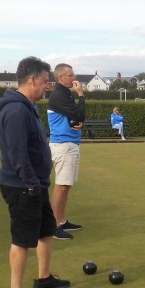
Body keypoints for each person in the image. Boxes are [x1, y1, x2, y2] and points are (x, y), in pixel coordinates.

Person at [0, 56, 70, 288]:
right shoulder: (16, 111)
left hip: (35, 183)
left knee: (45, 230)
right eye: (45, 81)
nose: (47, 86)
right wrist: (30, 184)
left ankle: (43, 279)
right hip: (22, 186)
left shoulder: (27, 107)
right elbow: (17, 154)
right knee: (22, 239)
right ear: (31, 79)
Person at [47, 63, 86, 240]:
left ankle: (61, 220)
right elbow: (79, 114)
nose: (74, 78)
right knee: (61, 185)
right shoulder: (58, 95)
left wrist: (77, 121)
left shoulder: (65, 94)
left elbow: (75, 117)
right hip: (63, 144)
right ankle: (52, 226)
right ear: (61, 78)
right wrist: (81, 96)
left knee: (66, 184)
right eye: (70, 75)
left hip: (70, 143)